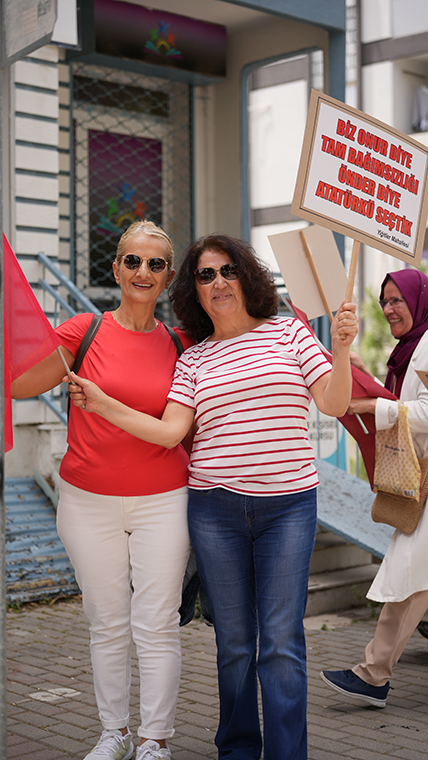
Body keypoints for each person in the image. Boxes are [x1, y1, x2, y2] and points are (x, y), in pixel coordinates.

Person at [67, 233, 358, 760]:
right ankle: (239, 749)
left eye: (227, 271)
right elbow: (167, 431)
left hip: (288, 508)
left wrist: (339, 347)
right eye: (205, 275)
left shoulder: (290, 333)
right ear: (194, 292)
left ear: (248, 277)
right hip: (214, 510)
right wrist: (103, 405)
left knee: (280, 645)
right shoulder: (193, 359)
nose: (218, 282)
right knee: (234, 644)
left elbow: (334, 403)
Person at [11, 220, 193, 760]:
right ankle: (113, 732)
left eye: (155, 264)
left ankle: (154, 739)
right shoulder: (83, 331)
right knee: (106, 622)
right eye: (132, 261)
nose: (142, 271)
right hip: (87, 503)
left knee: (156, 623)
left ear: (168, 276)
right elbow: (19, 384)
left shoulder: (182, 343)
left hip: (165, 501)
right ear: (116, 269)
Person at [320, 268, 428, 709]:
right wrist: (364, 376)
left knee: (410, 575)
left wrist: (371, 404)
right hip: (419, 477)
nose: (388, 309)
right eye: (384, 301)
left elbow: (422, 413)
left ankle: (373, 674)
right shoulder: (408, 350)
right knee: (413, 575)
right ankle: (373, 673)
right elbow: (407, 404)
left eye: (397, 299)